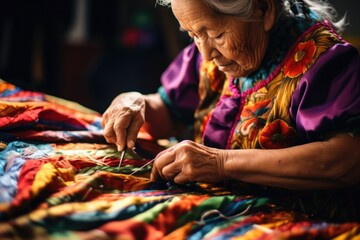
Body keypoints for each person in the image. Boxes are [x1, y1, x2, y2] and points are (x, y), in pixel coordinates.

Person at [102, 0, 360, 219]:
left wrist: (221, 163)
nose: (205, 53)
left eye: (217, 35)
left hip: (304, 221)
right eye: (193, 35)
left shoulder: (323, 61)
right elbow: (169, 111)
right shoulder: (212, 48)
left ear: (263, 9)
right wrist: (135, 102)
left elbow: (346, 160)